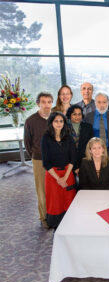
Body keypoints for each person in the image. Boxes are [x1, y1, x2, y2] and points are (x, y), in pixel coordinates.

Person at [41, 112, 76, 229]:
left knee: (68, 201)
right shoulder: (46, 138)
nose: (59, 123)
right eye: (56, 121)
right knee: (55, 202)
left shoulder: (69, 137)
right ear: (51, 123)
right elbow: (46, 162)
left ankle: (70, 226)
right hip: (52, 176)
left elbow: (73, 159)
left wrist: (65, 178)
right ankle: (57, 228)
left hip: (67, 174)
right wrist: (58, 179)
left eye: (61, 121)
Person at [24, 92, 53, 228]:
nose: (46, 105)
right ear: (38, 104)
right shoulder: (30, 121)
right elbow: (27, 143)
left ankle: (55, 215)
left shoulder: (56, 118)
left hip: (56, 160)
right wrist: (36, 155)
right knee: (42, 190)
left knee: (55, 189)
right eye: (43, 102)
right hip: (39, 160)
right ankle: (44, 217)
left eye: (49, 102)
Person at [84, 92, 109, 165]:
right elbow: (86, 137)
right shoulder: (88, 117)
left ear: (108, 103)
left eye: (104, 102)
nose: (102, 105)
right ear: (95, 103)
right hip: (93, 153)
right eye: (99, 102)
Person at [66, 105, 94, 170]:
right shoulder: (64, 127)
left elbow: (90, 145)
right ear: (70, 115)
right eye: (74, 114)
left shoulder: (88, 127)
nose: (77, 117)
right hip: (68, 162)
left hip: (84, 161)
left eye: (79, 114)